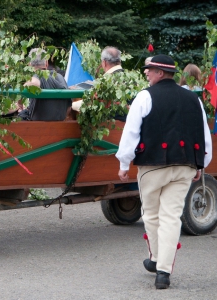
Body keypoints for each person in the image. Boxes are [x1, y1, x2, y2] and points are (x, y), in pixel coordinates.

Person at [116, 54, 212, 289]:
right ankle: (163, 272)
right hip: (185, 166)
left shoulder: (144, 97)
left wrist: (123, 163)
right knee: (171, 217)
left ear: (160, 72)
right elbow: (203, 134)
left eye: (149, 69)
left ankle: (157, 259)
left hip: (152, 166)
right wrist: (201, 164)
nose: (146, 72)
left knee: (151, 215)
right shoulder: (193, 99)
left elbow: (130, 132)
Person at [18, 48, 71, 121]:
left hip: (37, 128)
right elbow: (68, 108)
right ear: (46, 63)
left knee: (20, 115)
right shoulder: (60, 77)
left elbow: (33, 82)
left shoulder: (38, 75)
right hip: (60, 127)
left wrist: (19, 99)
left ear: (29, 65)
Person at [72, 46, 124, 112]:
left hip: (109, 120)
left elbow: (91, 103)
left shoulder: (104, 82)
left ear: (104, 63)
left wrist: (72, 105)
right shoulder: (133, 80)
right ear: (120, 61)